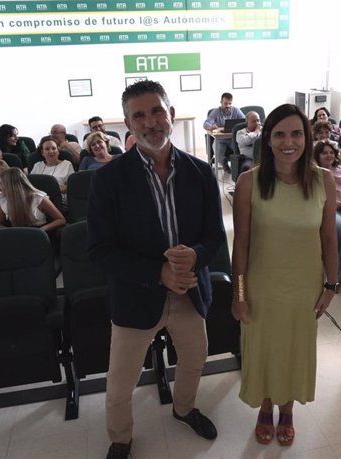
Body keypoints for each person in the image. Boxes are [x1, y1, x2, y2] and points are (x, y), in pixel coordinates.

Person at [87, 80, 225, 459]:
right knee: (119, 386)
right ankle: (121, 438)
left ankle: (184, 410)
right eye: (139, 115)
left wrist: (196, 255)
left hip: (189, 293)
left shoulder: (200, 172)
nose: (151, 122)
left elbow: (215, 235)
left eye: (157, 111)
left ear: (172, 114)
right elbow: (99, 250)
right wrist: (157, 273)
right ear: (128, 125)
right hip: (135, 298)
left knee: (195, 361)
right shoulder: (109, 180)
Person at [231, 104, 338, 447]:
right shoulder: (249, 182)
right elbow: (242, 245)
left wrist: (331, 285)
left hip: (303, 287)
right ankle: (265, 407)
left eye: (296, 133)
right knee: (263, 348)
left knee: (294, 348)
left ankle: (287, 410)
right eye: (279, 134)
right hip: (261, 287)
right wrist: (240, 293)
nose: (288, 142)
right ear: (268, 139)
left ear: (307, 137)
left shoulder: (325, 180)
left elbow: (329, 238)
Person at [0, 167, 66, 232]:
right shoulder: (4, 199)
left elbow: (61, 220)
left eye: (1, 183)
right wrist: (9, 232)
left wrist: (42, 230)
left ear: (10, 186)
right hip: (16, 234)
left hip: (38, 233)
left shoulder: (38, 198)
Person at [203, 92, 245, 170]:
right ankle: (225, 165)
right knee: (218, 153)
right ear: (221, 102)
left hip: (233, 138)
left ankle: (237, 168)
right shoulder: (216, 112)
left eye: (230, 103)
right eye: (225, 103)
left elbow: (245, 121)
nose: (228, 106)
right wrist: (211, 126)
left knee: (242, 150)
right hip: (220, 139)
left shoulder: (236, 110)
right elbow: (206, 123)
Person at [30, 138, 74, 207]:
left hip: (59, 201)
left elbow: (71, 187)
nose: (51, 151)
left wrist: (46, 189)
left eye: (54, 148)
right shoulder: (37, 165)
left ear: (58, 151)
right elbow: (30, 185)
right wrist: (57, 187)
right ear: (42, 152)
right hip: (38, 200)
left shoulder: (67, 164)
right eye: (47, 149)